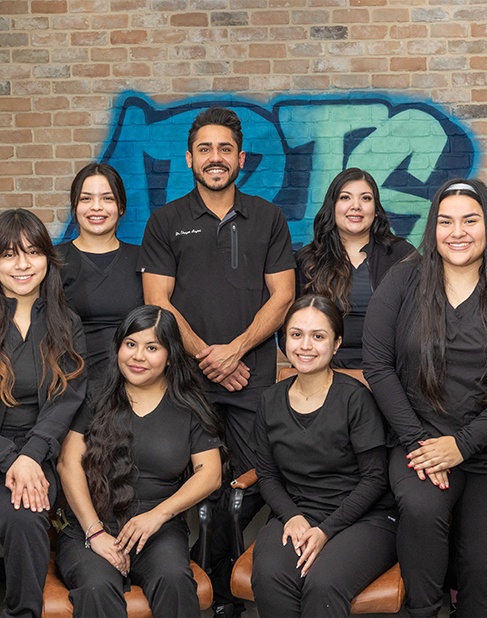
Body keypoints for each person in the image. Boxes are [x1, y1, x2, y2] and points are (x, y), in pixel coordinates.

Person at [138, 106, 296, 617]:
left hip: (255, 381)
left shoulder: (269, 218)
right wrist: (209, 356)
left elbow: (283, 296)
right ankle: (213, 593)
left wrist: (235, 350)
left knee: (254, 480)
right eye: (205, 148)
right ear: (189, 158)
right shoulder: (165, 221)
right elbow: (158, 301)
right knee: (193, 484)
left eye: (224, 148)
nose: (215, 157)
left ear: (241, 158)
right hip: (189, 384)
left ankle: (232, 584)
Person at [363, 178, 487, 617]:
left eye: (471, 220)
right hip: (420, 444)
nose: (458, 232)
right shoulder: (404, 279)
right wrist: (418, 442)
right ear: (433, 226)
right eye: (446, 221)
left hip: (481, 448)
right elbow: (377, 365)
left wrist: (463, 444)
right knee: (421, 512)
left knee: (480, 568)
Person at [55, 305, 223, 618]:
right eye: (130, 344)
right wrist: (94, 532)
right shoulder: (94, 396)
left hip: (157, 530)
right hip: (89, 526)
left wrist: (157, 516)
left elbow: (210, 474)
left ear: (170, 355)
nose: (137, 356)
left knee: (174, 580)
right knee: (96, 587)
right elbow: (68, 464)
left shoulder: (189, 405)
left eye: (152, 347)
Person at [251, 295, 397, 618]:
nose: (305, 345)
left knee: (323, 583)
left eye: (318, 336)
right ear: (284, 339)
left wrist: (326, 529)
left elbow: (375, 479)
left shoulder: (355, 399)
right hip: (298, 513)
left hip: (364, 519)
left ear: (336, 343)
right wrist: (291, 516)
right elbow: (268, 476)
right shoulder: (270, 401)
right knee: (269, 575)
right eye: (296, 334)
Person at [0, 209, 86, 618]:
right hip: (3, 451)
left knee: (26, 516)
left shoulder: (65, 322)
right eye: (9, 254)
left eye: (32, 252)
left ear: (47, 260)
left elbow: (68, 396)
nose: (21, 265)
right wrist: (11, 459)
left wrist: (31, 455)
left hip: (40, 451)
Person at [295, 168, 415, 368]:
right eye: (345, 198)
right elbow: (289, 328)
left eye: (365, 198)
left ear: (376, 210)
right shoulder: (307, 260)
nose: (356, 206)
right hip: (323, 372)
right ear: (332, 207)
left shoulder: (402, 255)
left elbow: (421, 320)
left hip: (390, 370)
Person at [57, 162, 143, 384]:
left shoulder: (143, 259)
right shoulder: (54, 261)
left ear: (121, 206)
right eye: (86, 198)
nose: (96, 207)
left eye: (107, 198)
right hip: (73, 387)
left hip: (133, 387)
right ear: (74, 206)